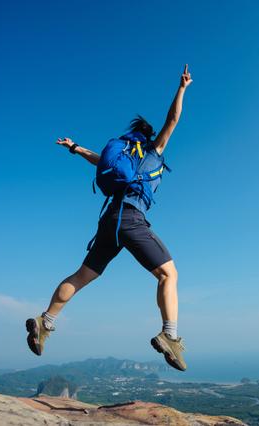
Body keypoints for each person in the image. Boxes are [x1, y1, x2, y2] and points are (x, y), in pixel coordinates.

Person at [26, 65, 193, 371]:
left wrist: (74, 147)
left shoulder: (123, 154)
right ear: (148, 136)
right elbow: (173, 120)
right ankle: (170, 336)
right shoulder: (152, 151)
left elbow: (96, 159)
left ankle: (45, 321)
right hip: (130, 218)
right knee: (169, 274)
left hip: (109, 221)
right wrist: (182, 88)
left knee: (82, 275)